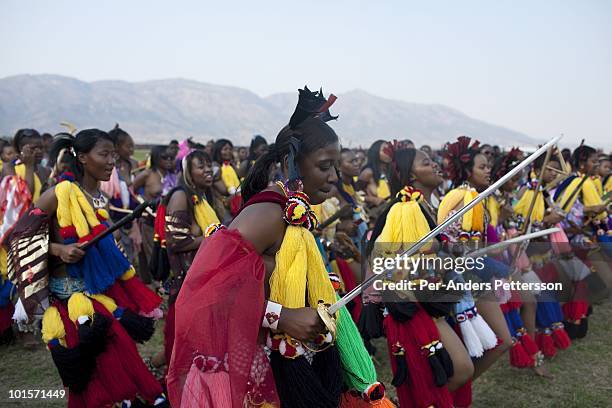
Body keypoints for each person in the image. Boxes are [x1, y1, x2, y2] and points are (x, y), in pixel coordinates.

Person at [168, 87, 393, 407]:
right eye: (324, 166)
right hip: (261, 372)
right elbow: (210, 291)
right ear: (292, 162)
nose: (333, 178)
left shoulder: (294, 212)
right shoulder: (269, 213)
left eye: (336, 167)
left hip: (293, 359)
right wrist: (281, 316)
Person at [7, 129, 166, 407]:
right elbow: (15, 239)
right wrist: (59, 249)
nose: (111, 162)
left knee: (119, 372)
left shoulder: (97, 198)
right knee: (93, 383)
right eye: (104, 154)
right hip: (70, 306)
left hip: (99, 298)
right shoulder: (56, 194)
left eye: (113, 155)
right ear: (82, 157)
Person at [367, 146, 472, 407]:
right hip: (410, 308)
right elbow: (382, 260)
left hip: (426, 304)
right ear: (411, 176)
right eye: (427, 162)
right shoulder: (402, 210)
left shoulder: (424, 207)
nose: (435, 165)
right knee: (459, 370)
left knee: (449, 374)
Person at [439, 136, 511, 407]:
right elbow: (455, 247)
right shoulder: (461, 198)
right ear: (467, 171)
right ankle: (439, 397)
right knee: (499, 342)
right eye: (482, 166)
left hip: (476, 278)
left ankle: (453, 393)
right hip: (464, 282)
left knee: (501, 342)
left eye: (488, 165)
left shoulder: (475, 198)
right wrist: (489, 266)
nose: (488, 170)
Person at [133, 145, 177, 283]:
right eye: (165, 157)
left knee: (167, 255)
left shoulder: (174, 176)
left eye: (171, 157)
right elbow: (132, 190)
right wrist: (143, 204)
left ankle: (165, 284)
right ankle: (156, 286)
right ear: (156, 158)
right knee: (153, 254)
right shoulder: (148, 174)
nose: (169, 160)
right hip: (150, 221)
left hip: (169, 222)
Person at [359, 140, 392, 207]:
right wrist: (372, 199)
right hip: (375, 212)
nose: (389, 153)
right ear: (376, 153)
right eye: (384, 150)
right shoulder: (368, 172)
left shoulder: (390, 171)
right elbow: (355, 195)